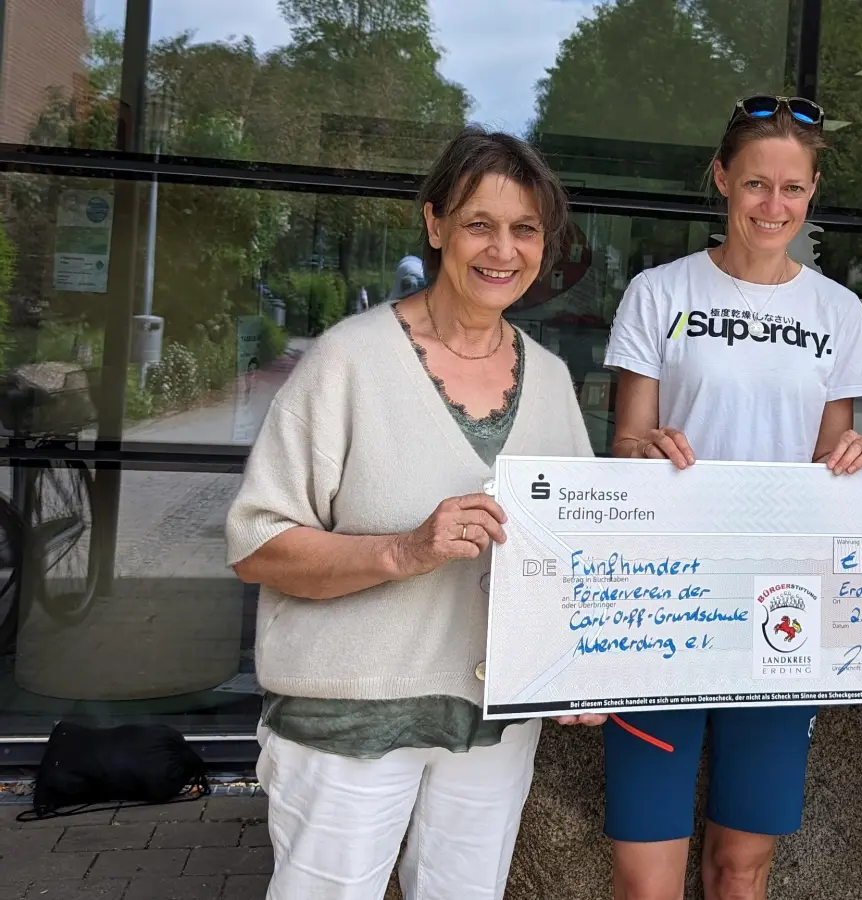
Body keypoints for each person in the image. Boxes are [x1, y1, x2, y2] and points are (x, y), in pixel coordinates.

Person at [224, 127, 603, 900]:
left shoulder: (554, 381)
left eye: (525, 229)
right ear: (435, 227)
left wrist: (583, 666)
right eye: (479, 224)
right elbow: (257, 545)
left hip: (490, 725)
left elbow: (576, 556)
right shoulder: (349, 360)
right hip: (347, 721)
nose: (503, 250)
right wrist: (403, 551)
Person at [601, 94, 862, 900]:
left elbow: (834, 459)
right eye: (757, 184)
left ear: (813, 192)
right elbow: (626, 443)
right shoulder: (658, 291)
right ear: (723, 179)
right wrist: (644, 447)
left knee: (743, 867)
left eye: (792, 189)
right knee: (644, 877)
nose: (774, 205)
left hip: (778, 605)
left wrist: (859, 457)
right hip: (663, 598)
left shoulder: (837, 309)